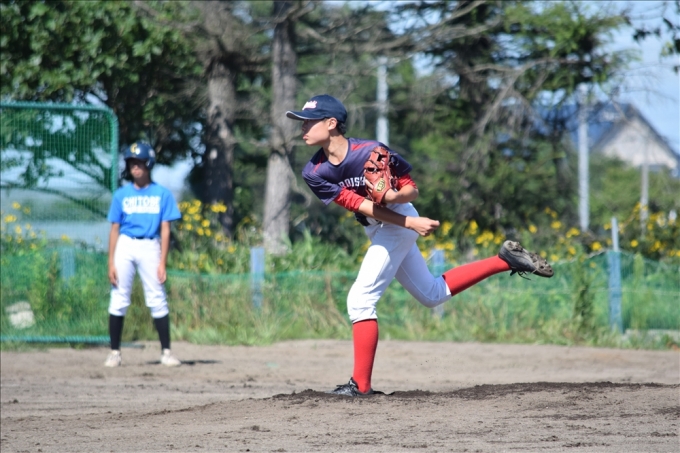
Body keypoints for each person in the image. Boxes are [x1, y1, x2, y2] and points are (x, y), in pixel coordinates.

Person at [286, 94, 554, 396]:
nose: (303, 127)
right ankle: (505, 260)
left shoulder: (370, 151)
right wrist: (405, 219)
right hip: (386, 225)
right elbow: (357, 204)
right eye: (302, 122)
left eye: (309, 121)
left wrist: (395, 198)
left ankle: (360, 386)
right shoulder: (314, 171)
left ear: (331, 123)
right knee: (432, 294)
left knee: (360, 300)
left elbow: (411, 189)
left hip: (398, 221)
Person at [104, 142, 182, 367]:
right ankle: (114, 353)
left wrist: (162, 262)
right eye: (131, 163)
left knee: (157, 297)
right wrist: (111, 262)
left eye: (139, 163)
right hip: (126, 245)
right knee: (119, 297)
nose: (135, 167)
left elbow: (165, 229)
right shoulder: (121, 195)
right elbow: (114, 229)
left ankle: (166, 352)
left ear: (149, 164)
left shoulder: (162, 194)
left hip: (150, 245)